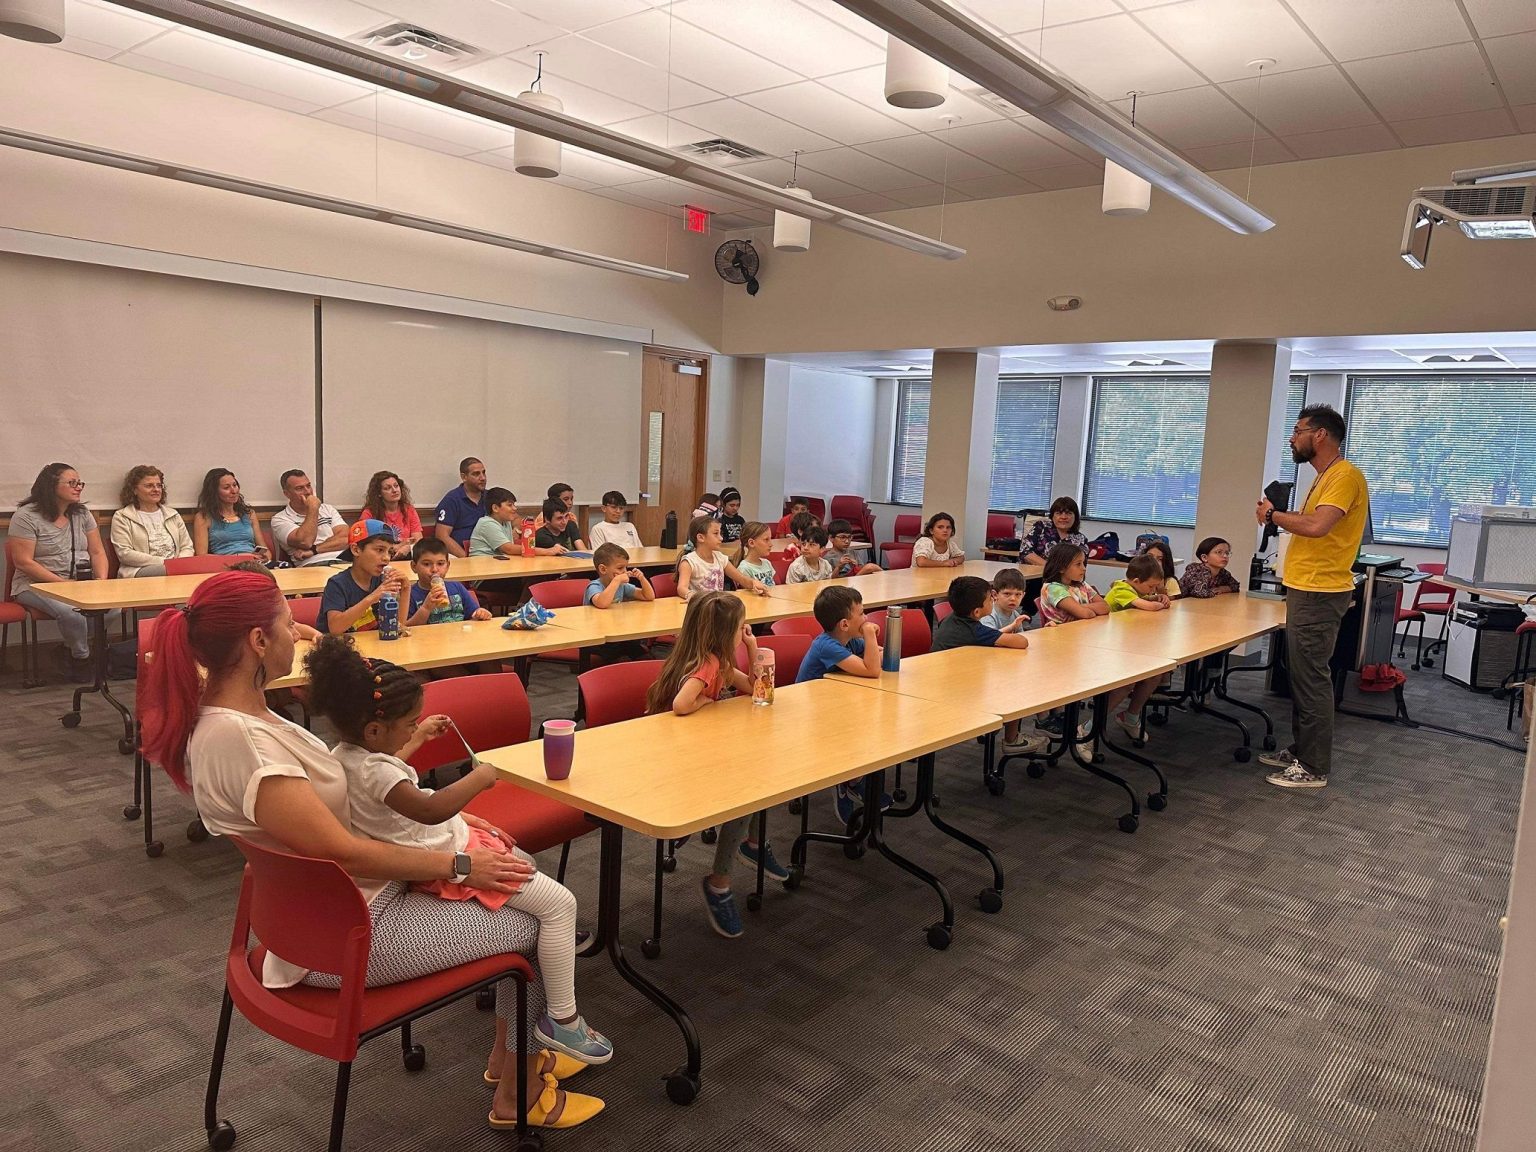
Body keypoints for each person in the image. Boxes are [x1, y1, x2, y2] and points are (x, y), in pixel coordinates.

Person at [137, 571, 603, 1130]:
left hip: (329, 913)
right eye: (288, 623)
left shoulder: (244, 714)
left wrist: (453, 824)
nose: (299, 633)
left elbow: (348, 803)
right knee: (534, 924)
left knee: (517, 879)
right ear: (258, 642)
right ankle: (518, 1095)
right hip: (346, 932)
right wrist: (459, 863)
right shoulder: (242, 741)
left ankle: (512, 1061)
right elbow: (346, 852)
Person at [306, 635, 613, 1072]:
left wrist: (418, 738)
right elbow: (429, 809)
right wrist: (480, 779)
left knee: (530, 875)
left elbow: (388, 770)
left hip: (446, 847)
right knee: (560, 905)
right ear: (374, 729)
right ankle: (563, 1019)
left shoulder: (349, 756)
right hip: (448, 856)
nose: (414, 728)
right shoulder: (376, 770)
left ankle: (519, 1043)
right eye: (410, 723)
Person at [645, 591, 783, 937]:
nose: (744, 631)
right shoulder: (707, 665)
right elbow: (681, 704)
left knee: (757, 775)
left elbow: (755, 689)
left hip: (698, 750)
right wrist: (705, 702)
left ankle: (753, 845)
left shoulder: (717, 661)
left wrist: (752, 647)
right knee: (747, 789)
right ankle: (719, 882)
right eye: (740, 628)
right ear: (724, 633)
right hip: (678, 762)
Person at [1256, 403, 1369, 790]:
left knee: (1311, 679)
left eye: (1298, 430)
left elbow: (1318, 526)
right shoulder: (1325, 476)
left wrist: (1273, 516)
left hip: (1320, 590)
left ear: (1319, 434)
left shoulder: (1344, 476)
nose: (1292, 438)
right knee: (1301, 675)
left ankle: (1313, 766)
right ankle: (1301, 750)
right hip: (1308, 587)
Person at [10, 462, 106, 683]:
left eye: (80, 483)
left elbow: (97, 551)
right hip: (35, 585)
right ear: (51, 485)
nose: (78, 487)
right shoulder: (26, 516)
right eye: (72, 483)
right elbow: (23, 562)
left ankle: (67, 651)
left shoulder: (82, 514)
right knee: (73, 611)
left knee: (111, 608)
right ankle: (81, 659)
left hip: (77, 583)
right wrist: (63, 585)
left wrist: (101, 581)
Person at [932, 576, 1044, 756]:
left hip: (945, 680)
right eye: (989, 599)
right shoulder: (974, 630)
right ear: (977, 612)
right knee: (1014, 684)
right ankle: (1012, 740)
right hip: (957, 692)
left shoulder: (951, 619)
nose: (992, 600)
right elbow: (1021, 642)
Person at [1103, 555, 1171, 740]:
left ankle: (1130, 716)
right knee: (1127, 683)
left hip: (1128, 643)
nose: (1153, 589)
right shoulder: (1121, 589)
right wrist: (1157, 603)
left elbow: (1146, 599)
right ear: (1136, 581)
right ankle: (1090, 729)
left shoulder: (1135, 589)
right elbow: (1147, 606)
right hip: (1107, 645)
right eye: (1151, 586)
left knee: (1155, 673)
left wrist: (1158, 596)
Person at [319, 520, 408, 634]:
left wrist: (406, 589)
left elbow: (397, 626)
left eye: (390, 552)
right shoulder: (337, 584)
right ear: (356, 550)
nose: (387, 558)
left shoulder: (381, 581)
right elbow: (335, 628)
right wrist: (373, 597)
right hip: (339, 644)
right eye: (380, 550)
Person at [111, 464, 193, 578]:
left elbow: (187, 546)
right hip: (138, 570)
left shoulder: (173, 515)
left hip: (175, 567)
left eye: (159, 485)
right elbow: (125, 554)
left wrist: (180, 562)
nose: (156, 490)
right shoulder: (122, 517)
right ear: (134, 490)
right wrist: (165, 563)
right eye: (149, 486)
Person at [796, 585, 881, 683]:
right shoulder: (827, 646)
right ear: (844, 624)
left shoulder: (851, 640)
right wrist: (869, 632)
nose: (866, 618)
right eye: (862, 613)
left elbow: (882, 655)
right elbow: (872, 671)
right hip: (815, 692)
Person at [677, 515, 766, 601]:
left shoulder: (720, 558)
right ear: (701, 537)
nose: (721, 538)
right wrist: (690, 594)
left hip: (718, 605)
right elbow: (681, 588)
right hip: (701, 607)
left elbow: (741, 579)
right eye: (716, 533)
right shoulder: (689, 562)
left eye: (720, 533)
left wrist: (754, 583)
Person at [406, 537, 491, 626]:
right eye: (426, 564)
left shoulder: (457, 587)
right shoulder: (409, 595)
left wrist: (480, 613)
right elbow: (407, 627)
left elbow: (473, 612)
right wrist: (426, 608)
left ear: (447, 565)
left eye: (440, 564)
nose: (434, 569)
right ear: (414, 566)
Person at [271, 470, 348, 566]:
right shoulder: (280, 519)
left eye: (308, 486)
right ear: (287, 494)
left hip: (344, 561)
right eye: (299, 488)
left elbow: (346, 538)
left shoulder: (328, 509)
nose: (308, 492)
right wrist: (313, 508)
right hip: (314, 564)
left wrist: (314, 550)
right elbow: (305, 541)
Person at [193, 468, 268, 560]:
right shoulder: (203, 517)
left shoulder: (249, 514)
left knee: (282, 565)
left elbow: (265, 550)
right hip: (225, 564)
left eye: (235, 485)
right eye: (226, 488)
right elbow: (202, 556)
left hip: (254, 562)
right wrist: (239, 557)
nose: (234, 491)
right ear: (214, 492)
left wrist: (265, 557)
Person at [1039, 542, 1109, 624]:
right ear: (1061, 568)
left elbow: (1106, 607)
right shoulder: (1053, 589)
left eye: (1083, 563)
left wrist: (1081, 607)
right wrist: (1091, 610)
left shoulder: (1081, 585)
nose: (1084, 568)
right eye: (1078, 564)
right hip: (1063, 631)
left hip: (1084, 627)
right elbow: (1086, 614)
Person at [434, 457, 489, 558]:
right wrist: (466, 559)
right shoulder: (452, 500)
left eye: (483, 473)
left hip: (489, 552)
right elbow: (442, 536)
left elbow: (514, 518)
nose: (483, 478)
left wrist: (515, 530)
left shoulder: (491, 497)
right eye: (476, 474)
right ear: (464, 477)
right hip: (460, 555)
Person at [362, 471, 422, 560]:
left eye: (396, 486)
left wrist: (408, 547)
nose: (394, 490)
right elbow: (368, 544)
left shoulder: (409, 510)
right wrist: (402, 544)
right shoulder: (369, 513)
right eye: (387, 488)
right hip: (379, 558)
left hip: (407, 556)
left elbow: (418, 540)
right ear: (379, 493)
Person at [584, 542, 655, 608]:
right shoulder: (594, 586)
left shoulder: (621, 586)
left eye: (626, 567)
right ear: (603, 569)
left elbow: (648, 596)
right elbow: (602, 603)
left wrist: (642, 579)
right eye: (620, 568)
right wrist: (617, 580)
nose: (625, 571)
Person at [1022, 497, 1089, 566]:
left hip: (1065, 573)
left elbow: (1080, 566)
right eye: (1058, 513)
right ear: (1052, 516)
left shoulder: (1081, 540)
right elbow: (1025, 551)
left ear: (1075, 517)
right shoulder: (1041, 527)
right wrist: (1051, 568)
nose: (1063, 517)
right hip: (1034, 571)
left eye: (1069, 513)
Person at [470, 488, 522, 558]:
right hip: (481, 562)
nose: (515, 508)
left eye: (514, 505)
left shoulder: (506, 521)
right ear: (495, 508)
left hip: (499, 562)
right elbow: (508, 549)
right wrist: (536, 550)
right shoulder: (487, 523)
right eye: (510, 505)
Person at [981, 568, 1031, 635]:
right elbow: (989, 637)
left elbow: (1020, 636)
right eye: (1007, 594)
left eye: (1018, 594)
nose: (1013, 599)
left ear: (1023, 596)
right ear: (995, 595)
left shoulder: (1016, 615)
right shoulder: (988, 615)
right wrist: (1011, 627)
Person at [732, 522, 776, 587]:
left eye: (770, 539)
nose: (771, 544)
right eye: (766, 540)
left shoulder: (767, 563)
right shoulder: (744, 568)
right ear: (751, 543)